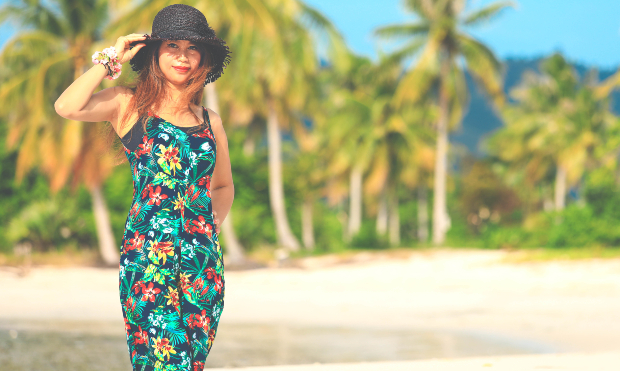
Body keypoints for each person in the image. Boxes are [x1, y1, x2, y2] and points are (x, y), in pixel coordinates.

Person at [54, 4, 233, 371]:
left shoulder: (209, 120)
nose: (183, 57)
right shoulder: (129, 103)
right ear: (155, 52)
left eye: (192, 48)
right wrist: (110, 59)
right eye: (172, 46)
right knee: (164, 360)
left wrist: (209, 228)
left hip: (203, 261)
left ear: (203, 58)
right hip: (149, 256)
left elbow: (224, 185)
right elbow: (66, 106)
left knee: (192, 361)